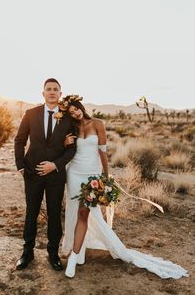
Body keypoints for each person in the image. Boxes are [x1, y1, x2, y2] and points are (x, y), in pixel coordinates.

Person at [61, 95, 188, 279]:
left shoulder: (98, 123)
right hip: (74, 173)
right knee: (74, 212)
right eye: (71, 112)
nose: (75, 113)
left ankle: (73, 256)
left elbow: (103, 154)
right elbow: (66, 151)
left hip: (92, 175)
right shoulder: (71, 128)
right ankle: (78, 253)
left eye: (76, 109)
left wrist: (105, 178)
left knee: (84, 212)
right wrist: (65, 144)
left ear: (81, 106)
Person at [14, 79, 76, 271]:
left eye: (55, 89)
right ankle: (27, 252)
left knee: (55, 214)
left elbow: (72, 149)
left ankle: (53, 253)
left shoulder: (67, 118)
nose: (51, 92)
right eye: (48, 89)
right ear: (43, 93)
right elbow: (19, 140)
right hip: (32, 173)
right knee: (31, 213)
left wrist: (55, 165)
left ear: (60, 94)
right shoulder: (31, 114)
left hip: (55, 176)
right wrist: (21, 166)